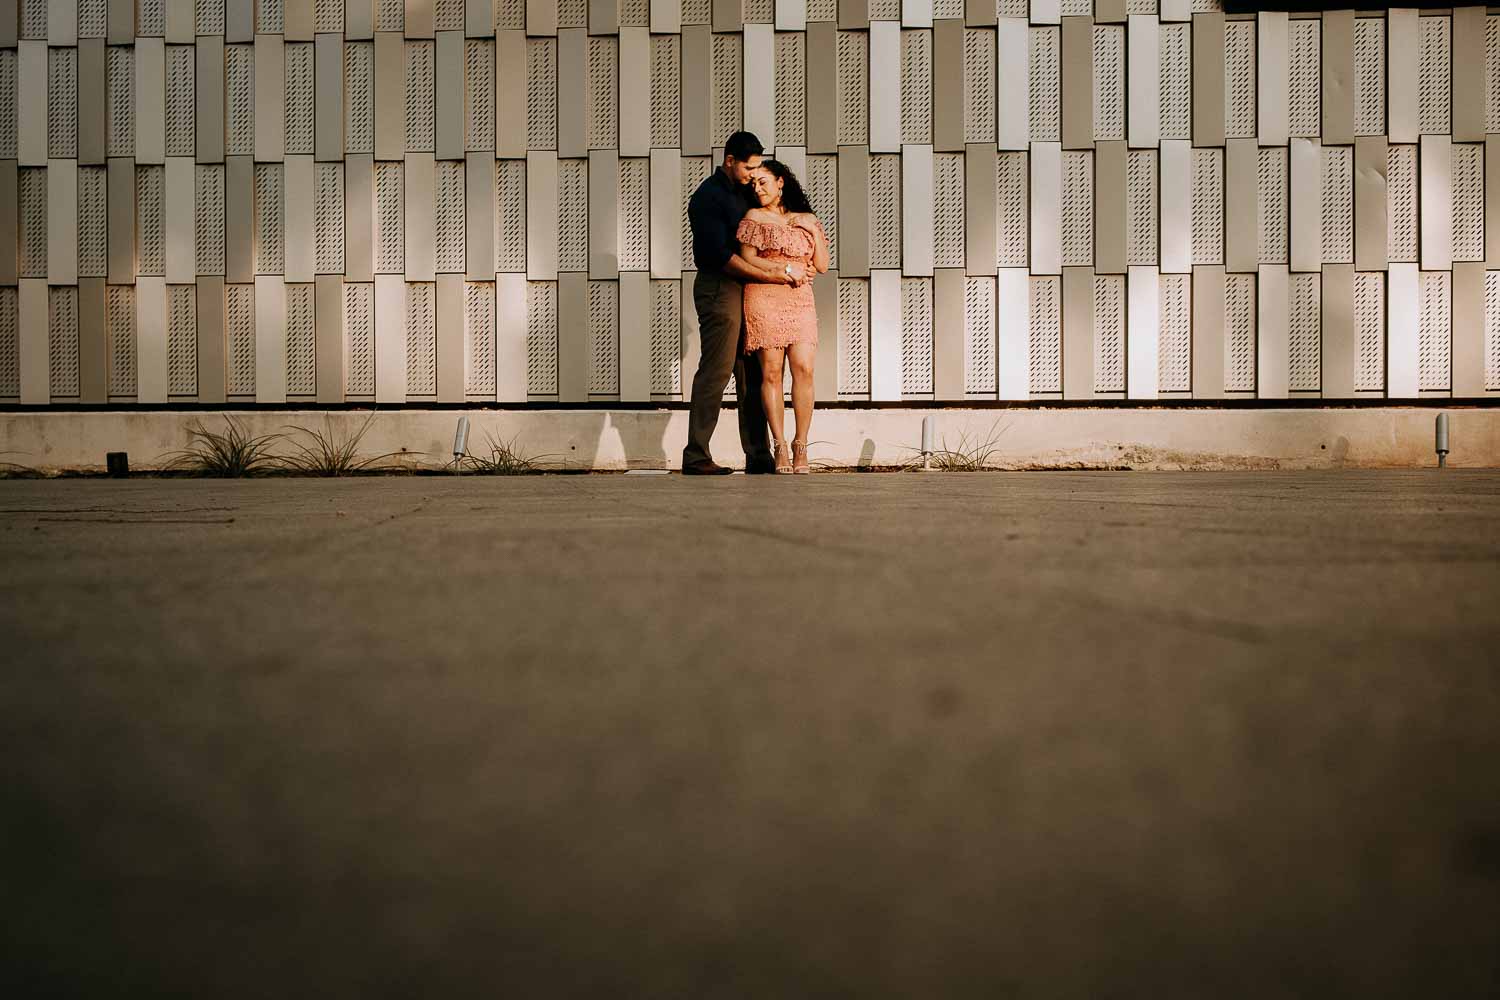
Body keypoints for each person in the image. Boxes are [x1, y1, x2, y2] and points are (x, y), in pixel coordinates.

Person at [681, 132, 812, 476]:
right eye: (748, 167)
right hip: (720, 286)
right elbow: (722, 257)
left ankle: (759, 455)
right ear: (729, 161)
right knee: (718, 370)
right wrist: (774, 275)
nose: (753, 175)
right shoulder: (708, 198)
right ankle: (696, 455)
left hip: (751, 290)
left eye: (758, 169)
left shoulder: (746, 192)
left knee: (752, 373)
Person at [738, 160, 829, 474]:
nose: (757, 189)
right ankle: (779, 445)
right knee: (772, 373)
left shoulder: (804, 218)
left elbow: (823, 264)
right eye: (753, 185)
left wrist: (812, 231)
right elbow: (747, 258)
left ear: (781, 182)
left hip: (800, 300)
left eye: (763, 182)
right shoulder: (753, 217)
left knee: (803, 367)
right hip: (764, 295)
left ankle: (800, 443)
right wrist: (783, 270)